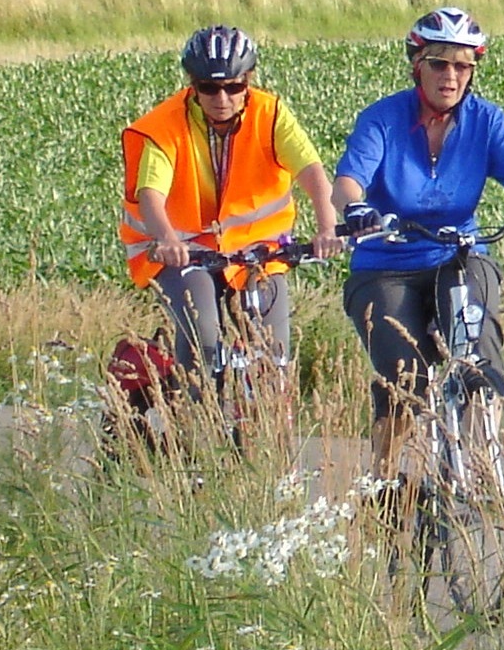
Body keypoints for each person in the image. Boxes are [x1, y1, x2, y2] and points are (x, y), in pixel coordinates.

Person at [334, 8, 504, 480]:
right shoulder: (383, 119)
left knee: (478, 345)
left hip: (459, 254)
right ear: (416, 65)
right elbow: (346, 183)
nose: (450, 75)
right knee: (406, 370)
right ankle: (383, 478)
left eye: (462, 66)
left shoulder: (486, 121)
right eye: (439, 63)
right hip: (387, 261)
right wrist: (356, 211)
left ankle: (483, 453)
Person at [118, 24, 340, 395]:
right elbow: (150, 194)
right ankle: (193, 428)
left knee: (272, 349)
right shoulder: (165, 125)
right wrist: (169, 240)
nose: (222, 97)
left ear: (248, 81)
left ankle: (270, 433)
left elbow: (312, 173)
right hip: (183, 252)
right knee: (204, 333)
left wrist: (327, 227)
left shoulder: (270, 115)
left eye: (234, 87)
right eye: (209, 88)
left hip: (257, 252)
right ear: (193, 85)